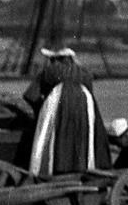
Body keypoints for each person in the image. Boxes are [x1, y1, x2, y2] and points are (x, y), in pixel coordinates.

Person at [22, 47, 111, 178]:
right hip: (85, 106)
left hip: (57, 102)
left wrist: (40, 112)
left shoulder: (50, 70)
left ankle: (53, 170)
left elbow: (30, 95)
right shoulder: (85, 73)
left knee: (53, 136)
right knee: (81, 137)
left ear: (57, 59)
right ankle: (80, 168)